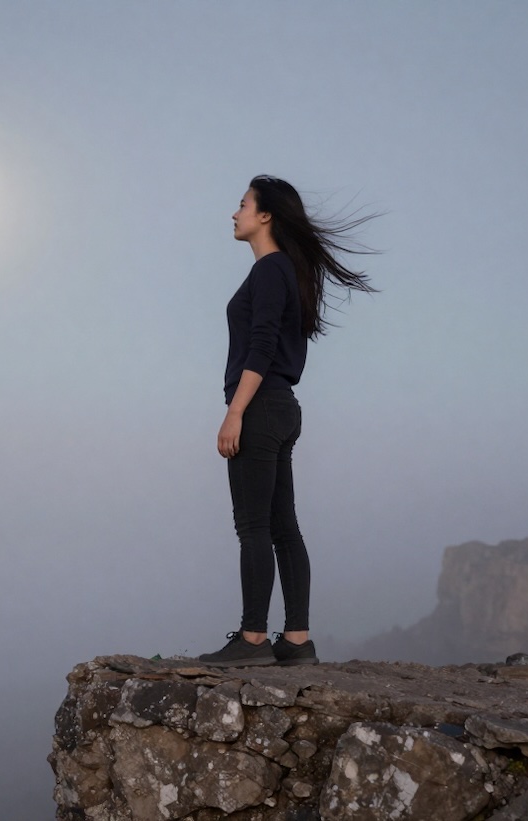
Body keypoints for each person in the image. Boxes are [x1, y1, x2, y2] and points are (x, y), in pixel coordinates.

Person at [198, 175, 377, 668]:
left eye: (242, 205)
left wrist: (234, 412)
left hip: (259, 407)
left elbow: (262, 347)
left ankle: (253, 639)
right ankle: (296, 640)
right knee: (282, 527)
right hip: (281, 407)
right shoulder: (284, 271)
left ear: (265, 215)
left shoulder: (269, 270)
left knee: (254, 526)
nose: (234, 213)